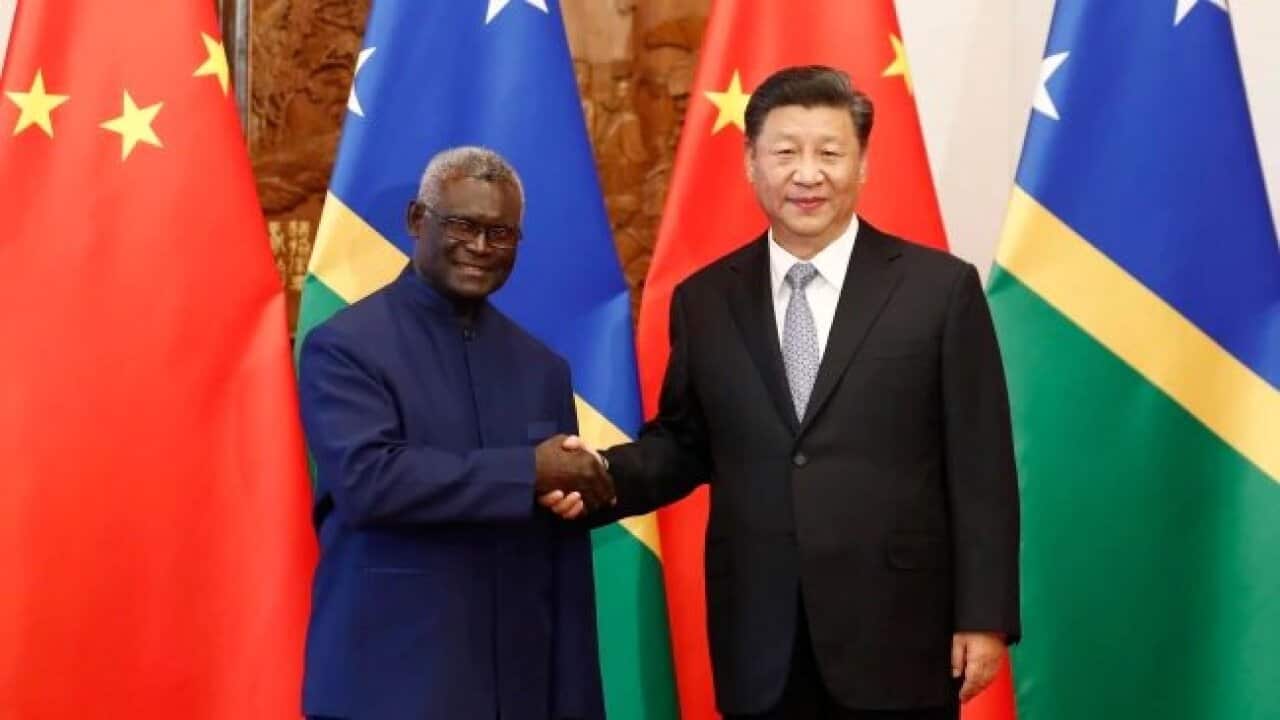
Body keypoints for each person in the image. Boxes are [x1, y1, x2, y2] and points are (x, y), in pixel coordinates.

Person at [566, 65, 1021, 719]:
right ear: (751, 163)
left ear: (862, 164)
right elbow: (686, 443)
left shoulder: (938, 291)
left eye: (829, 153)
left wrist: (984, 616)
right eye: (785, 152)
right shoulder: (706, 300)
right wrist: (599, 477)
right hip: (761, 634)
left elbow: (982, 468)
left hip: (899, 634)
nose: (807, 174)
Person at [297, 146, 612, 720]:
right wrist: (530, 469)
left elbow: (560, 549)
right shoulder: (345, 347)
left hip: (517, 687)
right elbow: (371, 482)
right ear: (419, 220)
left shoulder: (542, 367)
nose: (480, 247)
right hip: (390, 687)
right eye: (463, 225)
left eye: (501, 234)